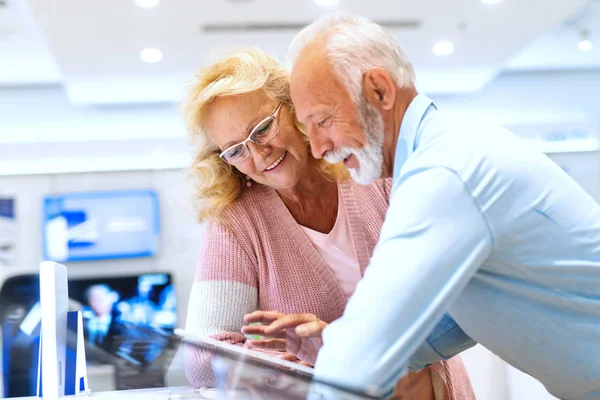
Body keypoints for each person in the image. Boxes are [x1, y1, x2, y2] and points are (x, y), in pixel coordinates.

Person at [272, 12, 600, 400]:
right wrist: (339, 345)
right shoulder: (448, 152)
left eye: (323, 120)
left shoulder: (445, 171)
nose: (317, 147)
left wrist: (352, 356)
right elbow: (456, 316)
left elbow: (363, 353)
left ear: (379, 90)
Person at [180, 48, 475, 399]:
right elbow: (202, 358)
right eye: (236, 150)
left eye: (261, 129)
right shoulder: (237, 222)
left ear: (294, 109)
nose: (259, 155)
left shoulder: (370, 171)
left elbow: (447, 289)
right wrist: (301, 362)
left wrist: (335, 345)